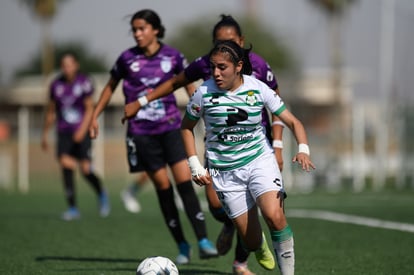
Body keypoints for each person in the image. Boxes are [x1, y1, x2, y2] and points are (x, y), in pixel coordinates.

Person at [123, 14, 284, 275]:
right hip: (220, 151)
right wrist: (141, 102)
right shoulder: (207, 65)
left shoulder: (258, 66)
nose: (224, 50)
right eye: (218, 43)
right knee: (217, 206)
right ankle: (235, 229)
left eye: (230, 42)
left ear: (241, 42)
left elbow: (278, 105)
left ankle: (240, 262)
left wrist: (277, 145)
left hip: (257, 150)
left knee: (263, 210)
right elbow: (175, 83)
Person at [88, 9, 217, 264]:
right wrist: (94, 116)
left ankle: (203, 239)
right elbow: (109, 87)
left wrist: (201, 109)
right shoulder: (126, 59)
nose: (137, 34)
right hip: (142, 133)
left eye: (142, 29)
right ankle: (182, 245)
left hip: (170, 128)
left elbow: (190, 84)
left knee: (184, 181)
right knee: (163, 187)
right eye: (134, 30)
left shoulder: (173, 56)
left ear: (156, 30)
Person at [181, 40, 316, 275]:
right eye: (213, 67)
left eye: (222, 67)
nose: (215, 72)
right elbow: (185, 128)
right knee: (251, 242)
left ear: (238, 66)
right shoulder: (203, 93)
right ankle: (257, 243)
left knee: (275, 216)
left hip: (259, 161)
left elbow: (293, 122)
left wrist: (303, 148)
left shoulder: (259, 88)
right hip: (224, 172)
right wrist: (195, 166)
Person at [41, 52, 110, 221]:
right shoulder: (56, 84)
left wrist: (82, 130)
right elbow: (51, 111)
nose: (67, 68)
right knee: (66, 164)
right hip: (64, 131)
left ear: (76, 65)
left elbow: (89, 108)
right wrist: (44, 133)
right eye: (64, 65)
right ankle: (72, 208)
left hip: (82, 131)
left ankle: (101, 192)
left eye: (70, 64)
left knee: (86, 169)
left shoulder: (84, 82)